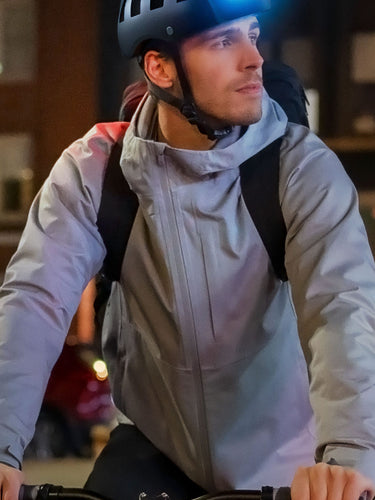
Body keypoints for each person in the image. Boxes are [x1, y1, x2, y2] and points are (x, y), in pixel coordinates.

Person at [1, 1, 375, 500]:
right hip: (156, 450)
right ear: (160, 66)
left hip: (288, 462)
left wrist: (348, 457)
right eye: (224, 41)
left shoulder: (299, 168)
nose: (255, 58)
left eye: (253, 34)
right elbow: (33, 304)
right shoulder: (96, 172)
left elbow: (341, 307)